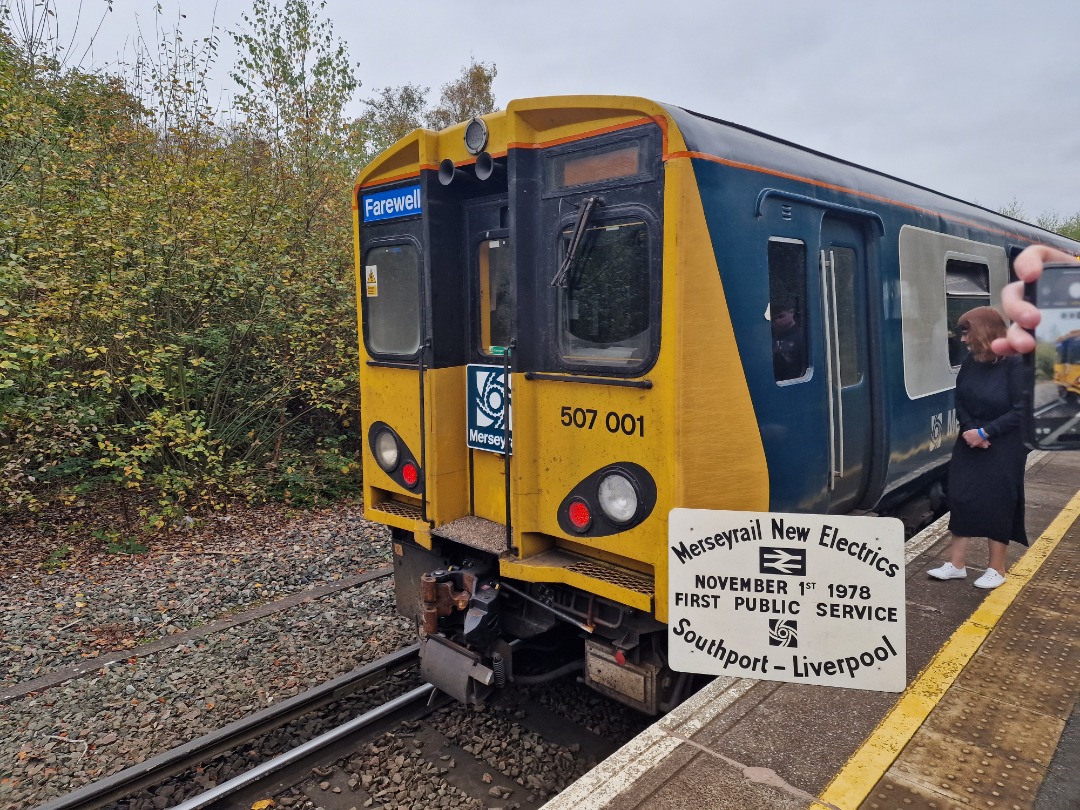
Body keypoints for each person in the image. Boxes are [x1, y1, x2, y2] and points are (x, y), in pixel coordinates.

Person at [929, 306, 1028, 589]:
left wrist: (987, 431)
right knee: (960, 496)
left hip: (1005, 444)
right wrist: (971, 429)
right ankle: (956, 564)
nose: (962, 339)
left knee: (997, 501)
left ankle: (996, 568)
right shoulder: (972, 361)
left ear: (984, 331)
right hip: (971, 439)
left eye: (966, 332)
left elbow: (1023, 409)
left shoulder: (1016, 364)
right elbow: (960, 399)